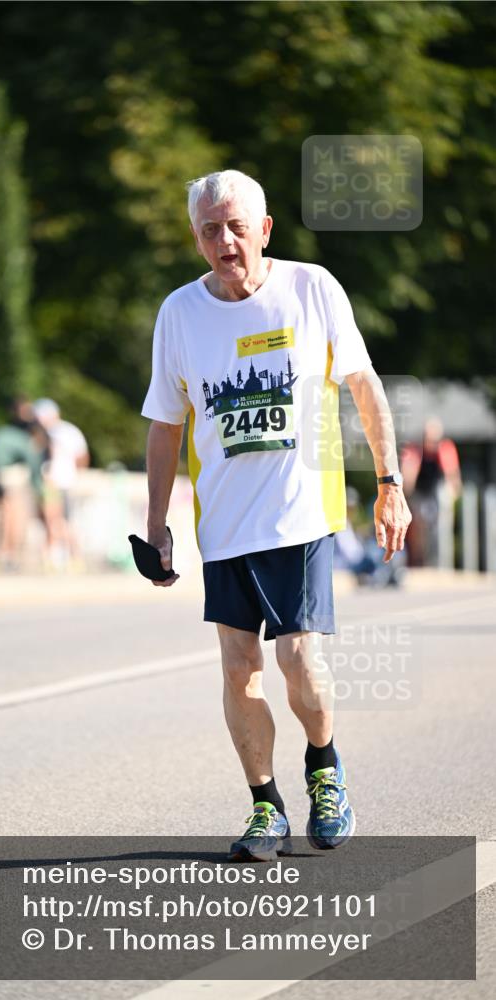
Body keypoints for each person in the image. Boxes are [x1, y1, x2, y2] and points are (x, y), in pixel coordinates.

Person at [141, 170, 411, 859]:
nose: (224, 240)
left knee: (297, 658)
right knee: (238, 669)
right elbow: (165, 425)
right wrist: (156, 525)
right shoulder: (179, 313)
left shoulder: (311, 288)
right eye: (209, 229)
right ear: (195, 237)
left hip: (302, 514)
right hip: (225, 525)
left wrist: (388, 482)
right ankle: (265, 807)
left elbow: (362, 385)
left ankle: (324, 768)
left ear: (264, 230)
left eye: (236, 226)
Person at [0, 398, 48, 569]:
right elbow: (34, 472)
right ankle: (8, 556)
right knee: (10, 508)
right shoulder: (26, 440)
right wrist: (40, 493)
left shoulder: (2, 432)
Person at [33, 398, 89, 566]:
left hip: (54, 482)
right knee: (65, 521)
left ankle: (51, 557)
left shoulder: (49, 433)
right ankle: (75, 558)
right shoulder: (70, 431)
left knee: (54, 521)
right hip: (66, 481)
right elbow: (82, 458)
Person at [401, 417, 462, 566]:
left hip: (436, 491)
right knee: (418, 529)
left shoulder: (445, 448)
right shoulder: (415, 450)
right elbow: (408, 476)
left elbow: (452, 474)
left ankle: (439, 562)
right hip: (419, 492)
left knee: (440, 527)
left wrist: (453, 494)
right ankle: (419, 561)